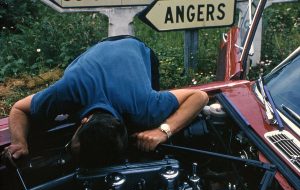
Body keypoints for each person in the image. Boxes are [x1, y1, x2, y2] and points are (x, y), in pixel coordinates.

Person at [6, 36, 208, 166]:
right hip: (101, 48)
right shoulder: (68, 90)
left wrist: (162, 131)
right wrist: (19, 142)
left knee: (153, 118)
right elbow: (19, 108)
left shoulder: (144, 106)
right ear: (83, 122)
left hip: (136, 49)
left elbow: (200, 96)